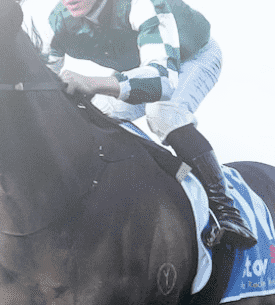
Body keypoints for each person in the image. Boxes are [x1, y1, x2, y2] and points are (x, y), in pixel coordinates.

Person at [47, 0, 256, 249]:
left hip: (190, 58)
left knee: (163, 113)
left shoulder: (140, 4)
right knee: (93, 118)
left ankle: (226, 210)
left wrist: (92, 83)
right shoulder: (59, 21)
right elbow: (42, 81)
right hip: (142, 66)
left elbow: (161, 82)